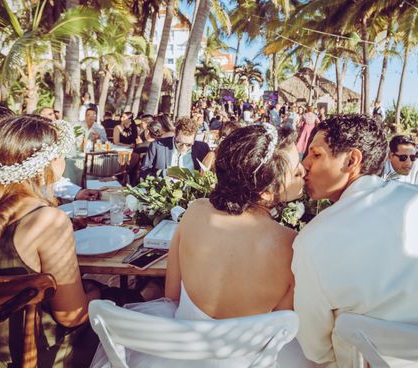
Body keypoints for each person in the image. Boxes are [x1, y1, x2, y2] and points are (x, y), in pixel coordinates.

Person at [91, 124, 313, 367]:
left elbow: (171, 295)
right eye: (295, 169)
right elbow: (278, 325)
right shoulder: (292, 245)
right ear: (266, 193)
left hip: (176, 354)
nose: (304, 169)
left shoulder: (195, 211)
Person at [293, 114, 418, 367]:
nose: (304, 164)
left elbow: (316, 350)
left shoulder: (315, 239)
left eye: (315, 155)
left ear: (352, 160)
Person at [0, 116, 107, 366]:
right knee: (124, 303)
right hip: (23, 353)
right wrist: (98, 294)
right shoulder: (47, 220)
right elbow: (71, 317)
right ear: (50, 162)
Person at [0, 107, 98, 219]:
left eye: (12, 136)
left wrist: (77, 192)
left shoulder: (5, 156)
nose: (9, 143)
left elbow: (36, 171)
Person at [140, 118, 210, 179]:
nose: (183, 148)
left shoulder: (203, 148)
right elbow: (143, 173)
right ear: (175, 134)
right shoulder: (157, 146)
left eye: (188, 145)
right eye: (180, 143)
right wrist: (164, 173)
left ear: (194, 139)